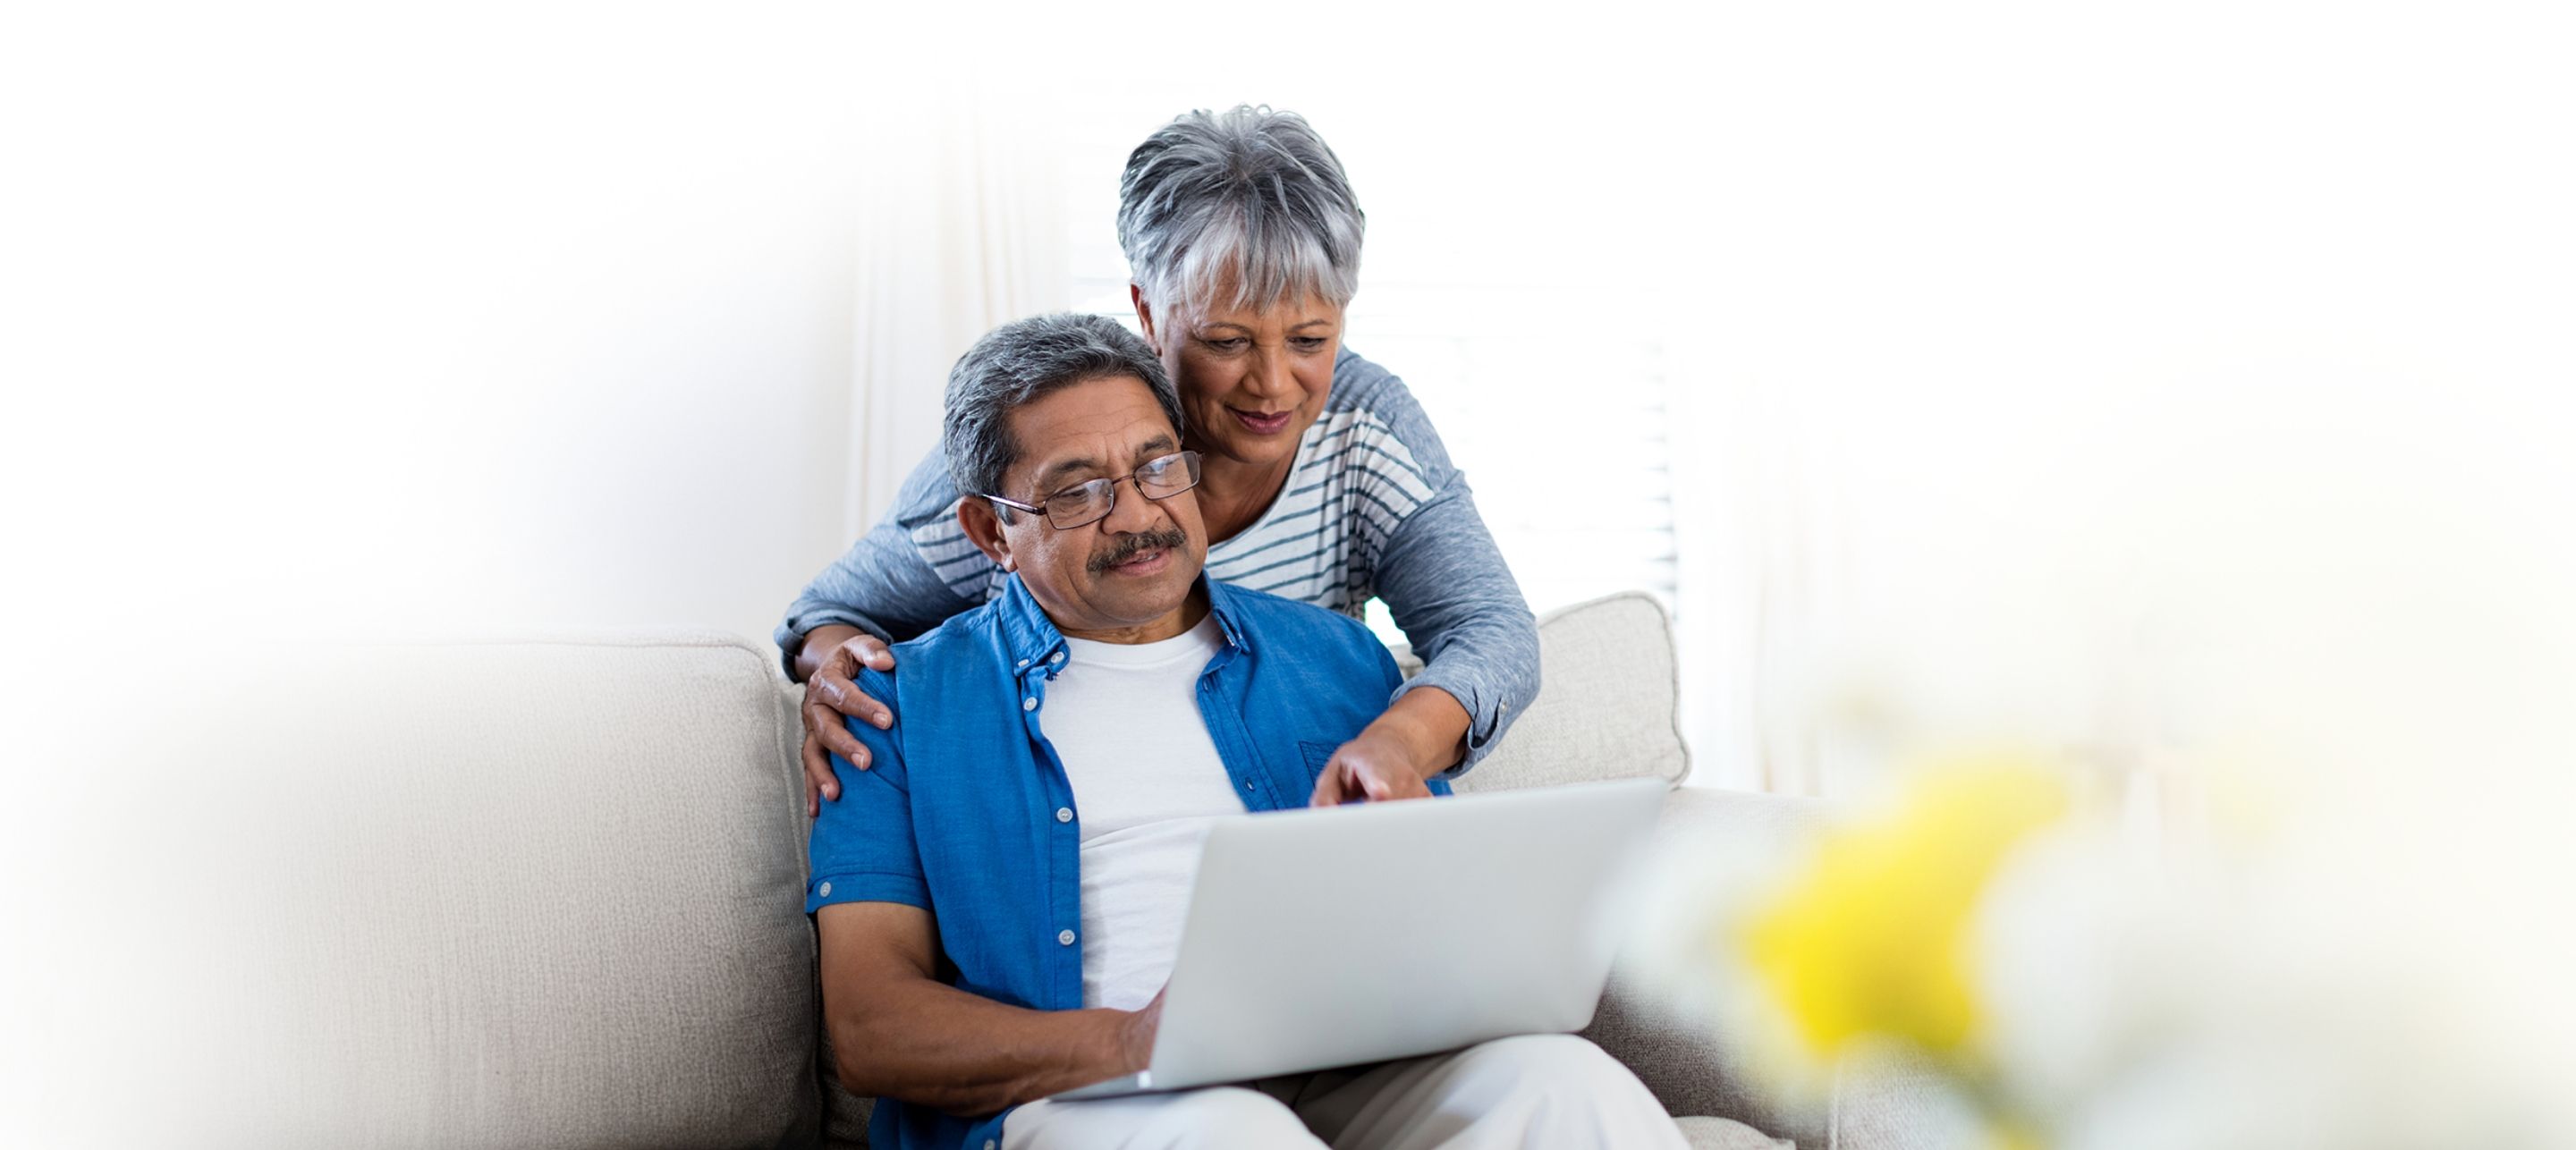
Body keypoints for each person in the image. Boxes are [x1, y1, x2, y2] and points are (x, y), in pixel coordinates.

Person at [809, 312, 1682, 1150]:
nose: (1135, 514)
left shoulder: (1336, 658)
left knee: (1568, 1083)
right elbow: (869, 1027)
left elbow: (1430, 913)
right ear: (990, 529)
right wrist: (1130, 1042)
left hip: (1345, 1069)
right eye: (1077, 492)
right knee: (1236, 1132)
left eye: (1157, 466)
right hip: (1079, 1096)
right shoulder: (893, 705)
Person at [780, 106, 1537, 816]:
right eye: (1226, 340)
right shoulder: (1036, 456)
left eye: (1309, 340)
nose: (1273, 385)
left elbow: (1492, 629)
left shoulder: (1365, 427)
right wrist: (849, 681)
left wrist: (1396, 743)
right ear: (1147, 312)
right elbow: (827, 617)